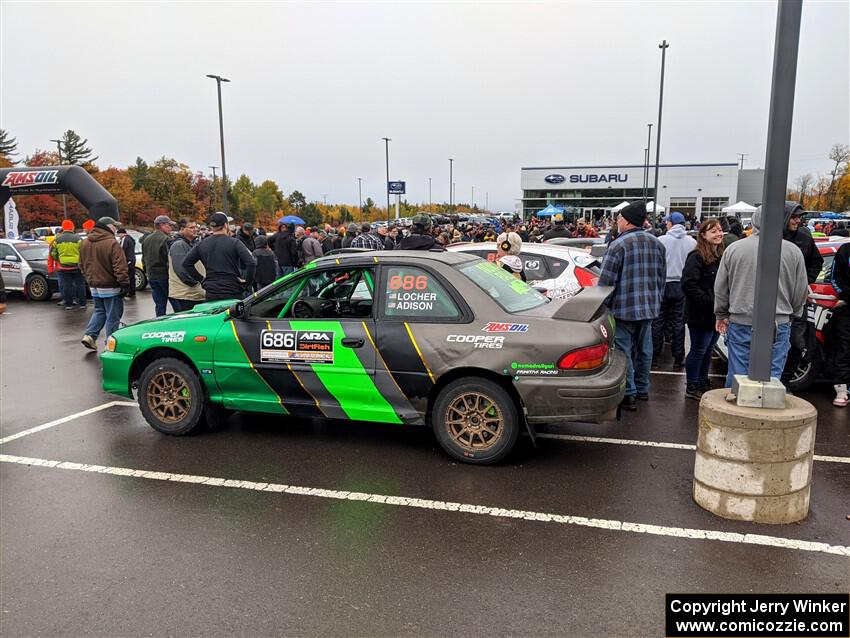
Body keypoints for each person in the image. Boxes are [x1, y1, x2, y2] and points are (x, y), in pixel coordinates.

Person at [714, 206, 808, 389]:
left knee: (737, 374)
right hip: (778, 320)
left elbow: (721, 287)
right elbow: (800, 290)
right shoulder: (793, 251)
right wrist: (794, 313)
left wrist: (721, 313)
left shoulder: (734, 249)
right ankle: (766, 415)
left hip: (741, 319)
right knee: (772, 379)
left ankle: (733, 412)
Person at [597, 201, 667, 411]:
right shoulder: (657, 244)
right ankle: (643, 388)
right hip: (649, 307)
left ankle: (629, 393)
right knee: (645, 349)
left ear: (626, 221)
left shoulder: (618, 245)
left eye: (618, 218)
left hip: (623, 308)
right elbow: (661, 278)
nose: (617, 222)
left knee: (624, 351)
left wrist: (602, 306)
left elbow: (605, 283)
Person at [681, 218, 725, 400]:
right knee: (699, 349)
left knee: (709, 350)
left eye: (720, 230)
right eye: (713, 231)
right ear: (703, 235)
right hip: (700, 314)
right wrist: (708, 301)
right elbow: (689, 284)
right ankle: (692, 385)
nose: (718, 234)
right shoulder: (697, 256)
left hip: (715, 314)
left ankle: (702, 380)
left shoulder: (719, 256)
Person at [653, 212, 696, 368]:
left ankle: (654, 357)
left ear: (670, 224)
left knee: (658, 322)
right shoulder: (691, 242)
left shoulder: (661, 240)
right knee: (678, 323)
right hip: (681, 285)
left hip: (663, 284)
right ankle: (678, 357)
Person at [79, 217, 129, 351]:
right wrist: (124, 283)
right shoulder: (111, 243)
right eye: (114, 226)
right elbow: (119, 265)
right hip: (110, 285)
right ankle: (110, 344)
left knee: (100, 311)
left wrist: (89, 278)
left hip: (94, 285)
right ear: (107, 226)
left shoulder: (84, 242)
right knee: (113, 314)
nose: (116, 229)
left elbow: (81, 264)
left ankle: (90, 335)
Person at [183, 212, 256, 301]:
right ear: (226, 225)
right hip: (232, 289)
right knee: (234, 314)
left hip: (211, 290)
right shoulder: (234, 242)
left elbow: (186, 263)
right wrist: (247, 283)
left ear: (211, 227)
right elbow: (251, 263)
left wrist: (202, 280)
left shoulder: (202, 243)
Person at [167, 219, 206, 312]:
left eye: (196, 227)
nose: (195, 229)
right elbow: (181, 270)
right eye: (191, 227)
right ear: (182, 229)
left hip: (192, 294)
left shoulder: (190, 243)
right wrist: (197, 283)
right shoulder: (179, 245)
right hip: (185, 295)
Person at [142, 214, 176, 316]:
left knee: (160, 305)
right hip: (165, 276)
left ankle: (160, 326)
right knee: (176, 304)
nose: (171, 227)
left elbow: (144, 259)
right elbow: (169, 260)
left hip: (152, 276)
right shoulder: (166, 239)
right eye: (169, 225)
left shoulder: (146, 239)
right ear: (161, 225)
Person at [830, 241, 850, 406]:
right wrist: (846, 296)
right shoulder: (845, 250)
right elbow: (834, 278)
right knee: (844, 348)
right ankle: (841, 390)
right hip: (846, 309)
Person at [51, 219, 87, 310]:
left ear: (63, 228)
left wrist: (59, 259)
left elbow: (53, 253)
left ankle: (68, 304)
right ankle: (83, 304)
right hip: (77, 266)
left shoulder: (57, 240)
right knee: (80, 285)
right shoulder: (78, 239)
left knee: (67, 286)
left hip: (64, 266)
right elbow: (83, 251)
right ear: (72, 227)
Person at [116, 228, 137, 299]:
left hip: (128, 260)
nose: (119, 236)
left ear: (122, 233)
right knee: (132, 276)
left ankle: (128, 291)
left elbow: (122, 249)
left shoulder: (125, 239)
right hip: (132, 259)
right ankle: (132, 291)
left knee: (128, 276)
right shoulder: (131, 239)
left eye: (119, 234)